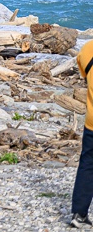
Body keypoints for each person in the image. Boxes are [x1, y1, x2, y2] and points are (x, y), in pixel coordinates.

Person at [69, 40, 93, 227]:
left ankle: (79, 213)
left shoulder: (87, 49)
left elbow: (85, 75)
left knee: (87, 164)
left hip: (92, 121)